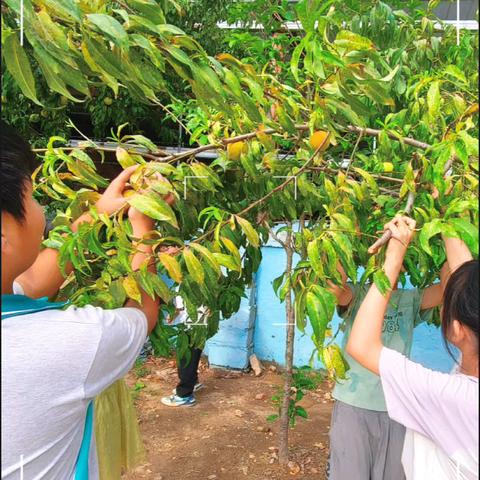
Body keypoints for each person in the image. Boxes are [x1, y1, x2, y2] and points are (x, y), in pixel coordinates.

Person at [1, 121, 162, 479]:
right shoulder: (73, 339)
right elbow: (142, 313)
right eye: (31, 197)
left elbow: (33, 280)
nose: (40, 209)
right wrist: (144, 230)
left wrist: (101, 211)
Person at [346, 215, 478, 479]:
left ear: (456, 330)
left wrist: (393, 258)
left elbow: (362, 345)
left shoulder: (448, 396)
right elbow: (468, 287)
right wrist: (446, 215)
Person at [326, 225, 449, 479]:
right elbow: (334, 289)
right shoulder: (358, 295)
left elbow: (449, 288)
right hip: (353, 404)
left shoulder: (409, 299)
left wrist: (445, 227)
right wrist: (340, 235)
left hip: (397, 408)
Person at [161, 295, 205, 407]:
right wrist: (174, 313)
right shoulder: (183, 280)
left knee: (187, 359)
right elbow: (181, 303)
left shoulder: (194, 280)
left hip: (195, 324)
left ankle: (184, 395)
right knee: (190, 357)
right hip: (190, 324)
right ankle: (192, 382)